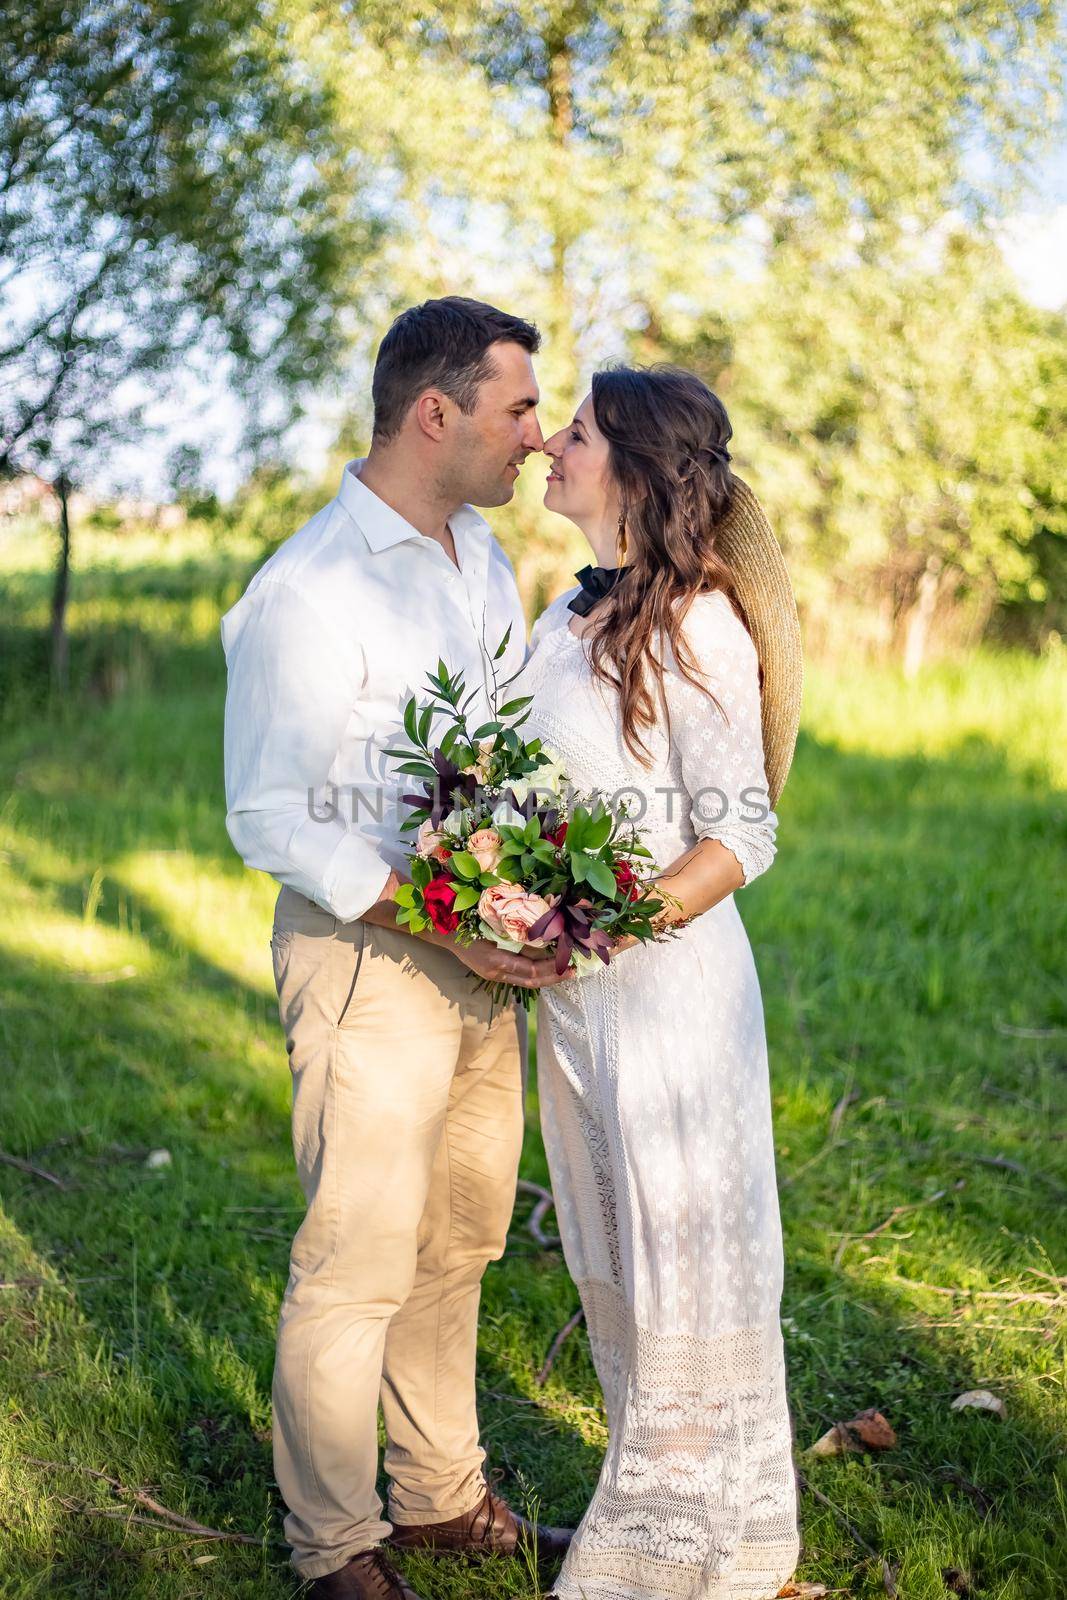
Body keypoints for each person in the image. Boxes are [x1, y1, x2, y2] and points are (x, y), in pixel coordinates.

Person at [220, 297, 572, 1599]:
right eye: (518, 409)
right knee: (355, 1263)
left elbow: (498, 754)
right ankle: (334, 1549)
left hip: (474, 953)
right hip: (368, 959)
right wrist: (447, 924)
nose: (535, 439)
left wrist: (530, 896)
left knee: (460, 1241)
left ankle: (433, 1498)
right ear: (435, 414)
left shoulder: (478, 558)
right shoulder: (306, 591)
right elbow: (269, 813)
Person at [520, 364, 804, 1600]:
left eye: (572, 432)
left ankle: (663, 1559)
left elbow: (741, 834)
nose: (548, 445)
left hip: (670, 998)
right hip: (573, 999)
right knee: (615, 1264)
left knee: (685, 1271)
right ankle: (718, 1532)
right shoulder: (560, 615)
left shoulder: (697, 622)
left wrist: (597, 923)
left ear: (630, 467)